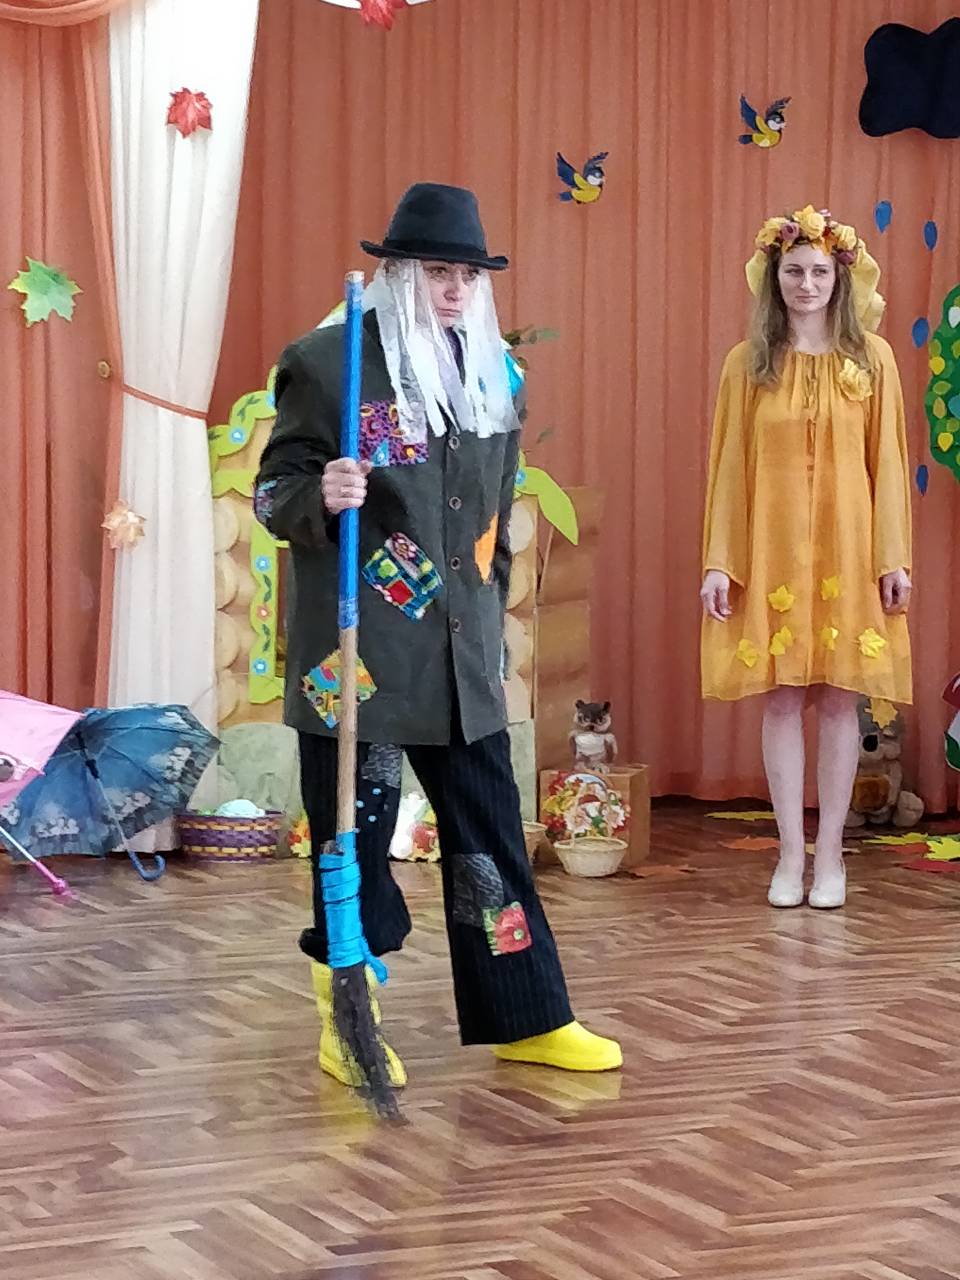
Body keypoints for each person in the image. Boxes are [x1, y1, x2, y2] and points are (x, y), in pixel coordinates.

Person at [254, 182, 622, 1086]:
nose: (455, 290)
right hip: (364, 665)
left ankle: (528, 1016)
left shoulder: (496, 375)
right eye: (436, 272)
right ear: (396, 273)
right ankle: (348, 1019)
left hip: (460, 659)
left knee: (491, 841)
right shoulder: (329, 363)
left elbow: (493, 509)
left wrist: (492, 620)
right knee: (355, 848)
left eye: (468, 275)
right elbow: (272, 491)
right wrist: (319, 495)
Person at [700, 205, 912, 910]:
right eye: (794, 271)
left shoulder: (873, 360)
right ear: (774, 277)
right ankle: (790, 854)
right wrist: (720, 561)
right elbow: (729, 469)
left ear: (840, 278)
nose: (807, 284)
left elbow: (889, 463)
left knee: (842, 701)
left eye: (820, 271)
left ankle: (831, 857)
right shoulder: (746, 364)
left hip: (851, 552)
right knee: (784, 699)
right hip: (775, 555)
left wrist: (893, 557)